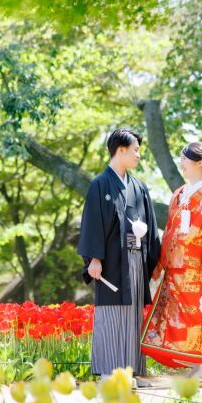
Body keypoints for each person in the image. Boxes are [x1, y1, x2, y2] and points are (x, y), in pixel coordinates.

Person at [140, 141, 202, 386]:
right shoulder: (180, 194)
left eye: (184, 158)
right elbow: (170, 230)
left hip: (201, 268)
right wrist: (160, 262)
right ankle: (195, 365)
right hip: (177, 267)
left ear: (197, 162)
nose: (181, 162)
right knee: (182, 319)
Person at [77, 128, 161, 384]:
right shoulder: (99, 185)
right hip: (110, 260)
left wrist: (153, 257)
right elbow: (92, 223)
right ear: (120, 150)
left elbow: (151, 224)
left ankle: (132, 370)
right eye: (135, 150)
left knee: (134, 313)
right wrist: (94, 258)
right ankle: (109, 371)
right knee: (111, 313)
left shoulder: (139, 187)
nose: (138, 155)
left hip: (136, 258)